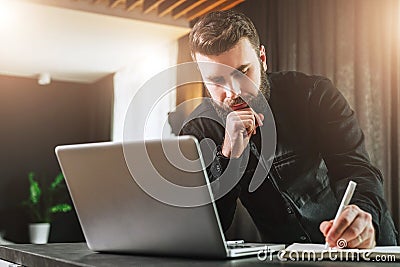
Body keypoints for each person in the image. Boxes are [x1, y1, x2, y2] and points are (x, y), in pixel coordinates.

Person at [179, 10, 398, 248]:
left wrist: (363, 214)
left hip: (364, 244)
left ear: (262, 58)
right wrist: (229, 157)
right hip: (286, 257)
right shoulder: (199, 130)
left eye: (243, 72)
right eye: (217, 81)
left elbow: (357, 169)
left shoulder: (314, 94)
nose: (233, 93)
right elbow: (204, 228)